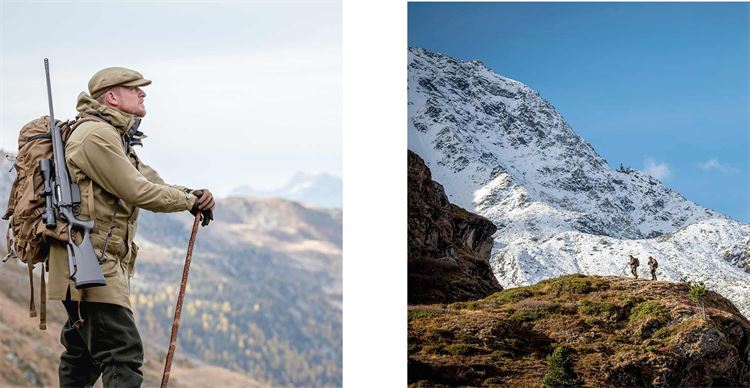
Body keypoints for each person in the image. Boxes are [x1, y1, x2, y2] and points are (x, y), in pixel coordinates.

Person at [47, 67, 216, 387]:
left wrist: (190, 195)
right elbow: (136, 191)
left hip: (92, 264)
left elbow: (149, 182)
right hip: (90, 264)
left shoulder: (113, 136)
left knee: (81, 358)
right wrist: (187, 202)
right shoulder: (95, 136)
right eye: (134, 88)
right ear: (111, 96)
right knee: (123, 353)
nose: (142, 93)